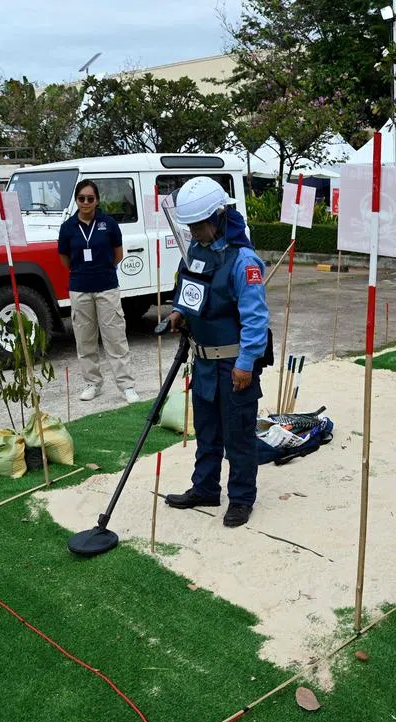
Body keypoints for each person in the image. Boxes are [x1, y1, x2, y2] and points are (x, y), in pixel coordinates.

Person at [162, 177, 271, 528]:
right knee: (206, 432)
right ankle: (205, 488)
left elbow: (255, 319)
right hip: (204, 362)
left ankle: (241, 498)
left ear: (218, 217)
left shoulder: (243, 260)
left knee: (238, 436)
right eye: (190, 226)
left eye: (199, 225)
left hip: (233, 364)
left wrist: (246, 363)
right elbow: (190, 290)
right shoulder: (197, 251)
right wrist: (179, 312)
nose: (194, 232)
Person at [59, 180, 139, 404]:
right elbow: (65, 258)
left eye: (90, 198)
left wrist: (102, 270)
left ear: (97, 200)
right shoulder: (68, 227)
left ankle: (126, 385)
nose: (85, 202)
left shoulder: (109, 224)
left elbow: (118, 254)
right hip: (80, 289)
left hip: (106, 287)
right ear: (76, 200)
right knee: (85, 340)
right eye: (81, 198)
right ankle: (92, 383)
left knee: (115, 338)